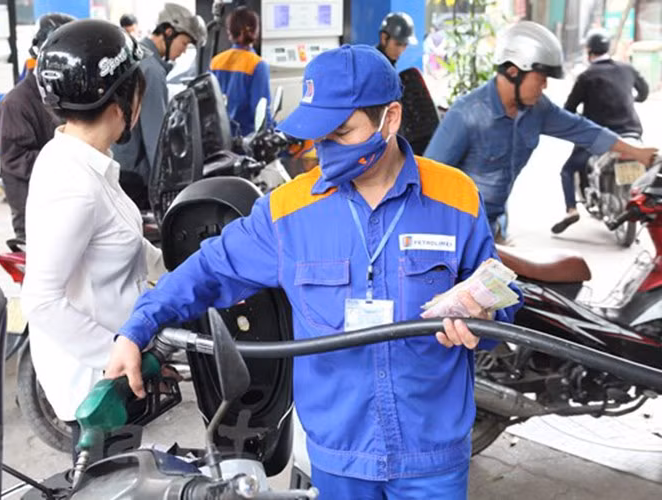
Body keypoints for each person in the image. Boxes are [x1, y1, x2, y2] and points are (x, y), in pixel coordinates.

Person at [105, 44, 523, 499]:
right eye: (318, 136)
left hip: (432, 454)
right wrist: (137, 328)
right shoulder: (288, 210)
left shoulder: (455, 196)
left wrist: (485, 322)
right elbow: (208, 269)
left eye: (341, 133)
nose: (326, 150)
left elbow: (498, 295)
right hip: (339, 454)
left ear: (391, 118)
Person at [20, 19, 166, 459]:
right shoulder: (76, 186)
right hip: (98, 388)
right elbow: (41, 300)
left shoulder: (83, 159)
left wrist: (187, 276)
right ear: (122, 100)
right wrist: (118, 354)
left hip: (117, 366)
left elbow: (129, 246)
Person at [424, 21, 657, 242]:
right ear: (514, 71)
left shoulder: (537, 109)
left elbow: (584, 130)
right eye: (541, 77)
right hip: (457, 230)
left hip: (494, 228)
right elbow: (426, 180)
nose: (544, 86)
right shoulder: (467, 114)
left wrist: (636, 152)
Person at [551, 28, 650, 234]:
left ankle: (571, 210)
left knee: (568, 170)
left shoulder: (586, 76)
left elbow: (568, 109)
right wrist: (633, 99)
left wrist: (577, 117)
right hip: (632, 134)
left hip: (599, 137)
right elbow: (644, 91)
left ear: (589, 51)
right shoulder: (627, 69)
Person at [111, 3, 206, 211]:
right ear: (168, 32)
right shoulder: (152, 70)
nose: (183, 51)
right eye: (184, 43)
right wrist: (171, 186)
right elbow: (157, 140)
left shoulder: (136, 55)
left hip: (121, 168)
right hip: (136, 177)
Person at [0, 13, 74, 240]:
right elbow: (16, 159)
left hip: (63, 209)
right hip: (37, 218)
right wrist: (72, 162)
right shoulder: (16, 104)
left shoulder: (59, 97)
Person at [210, 6, 272, 136]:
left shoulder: (216, 61)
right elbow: (260, 111)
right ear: (256, 30)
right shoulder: (258, 65)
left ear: (230, 32)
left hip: (219, 139)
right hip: (245, 139)